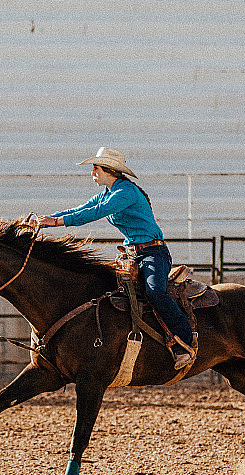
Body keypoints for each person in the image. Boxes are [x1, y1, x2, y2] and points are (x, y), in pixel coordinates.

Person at [38, 147, 196, 369]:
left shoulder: (125, 193)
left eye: (95, 168)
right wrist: (46, 219)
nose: (92, 172)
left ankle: (185, 342)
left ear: (108, 170)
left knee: (155, 292)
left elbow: (93, 213)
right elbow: (82, 208)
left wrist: (55, 223)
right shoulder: (108, 193)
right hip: (134, 254)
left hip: (153, 253)